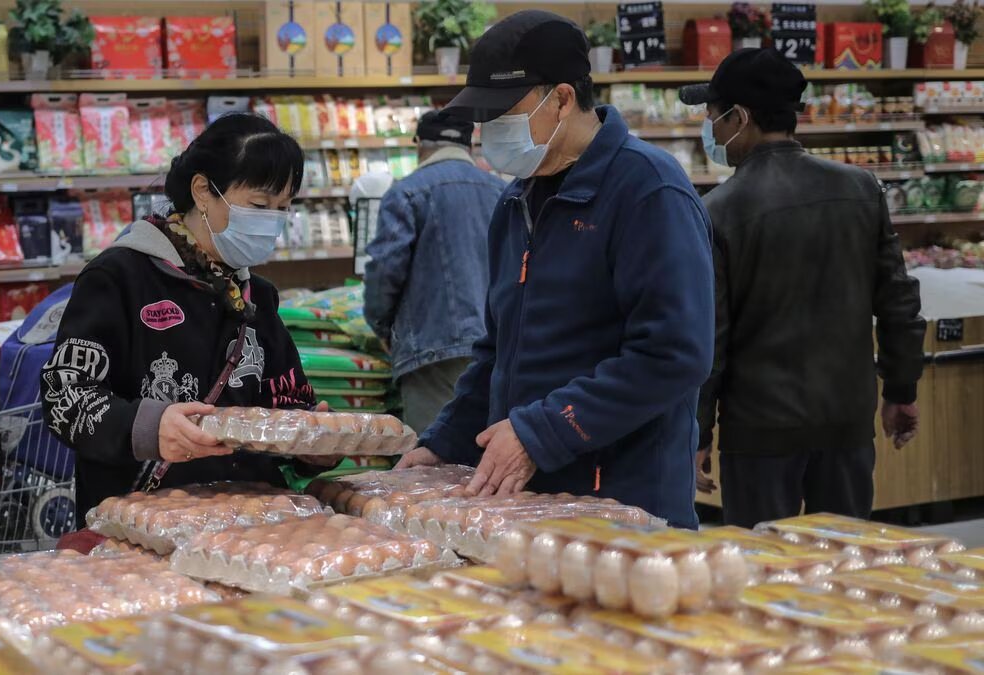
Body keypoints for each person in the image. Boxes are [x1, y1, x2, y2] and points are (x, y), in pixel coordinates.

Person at [395, 10, 715, 529]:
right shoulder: (515, 201)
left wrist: (541, 432)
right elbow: (498, 350)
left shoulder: (648, 190)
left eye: (503, 113)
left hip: (623, 502)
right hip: (527, 500)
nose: (487, 130)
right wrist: (443, 443)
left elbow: (675, 354)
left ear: (562, 99)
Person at [42, 114, 332, 523]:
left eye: (284, 208)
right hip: (139, 526)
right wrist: (148, 428)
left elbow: (287, 401)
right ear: (202, 192)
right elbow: (64, 396)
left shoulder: (257, 297)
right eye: (260, 206)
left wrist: (314, 443)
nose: (273, 222)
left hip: (248, 525)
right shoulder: (120, 277)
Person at [681, 49, 926, 528]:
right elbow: (898, 301)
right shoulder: (861, 189)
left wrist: (698, 433)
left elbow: (712, 338)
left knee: (762, 572)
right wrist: (901, 389)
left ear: (740, 117)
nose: (710, 129)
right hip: (847, 422)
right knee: (842, 565)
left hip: (758, 432)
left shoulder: (720, 211)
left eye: (712, 117)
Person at [364, 111, 506, 434]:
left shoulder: (407, 192)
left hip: (431, 350)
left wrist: (382, 326)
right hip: (498, 347)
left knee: (435, 471)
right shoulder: (502, 191)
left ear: (420, 145)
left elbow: (385, 269)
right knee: (487, 461)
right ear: (469, 145)